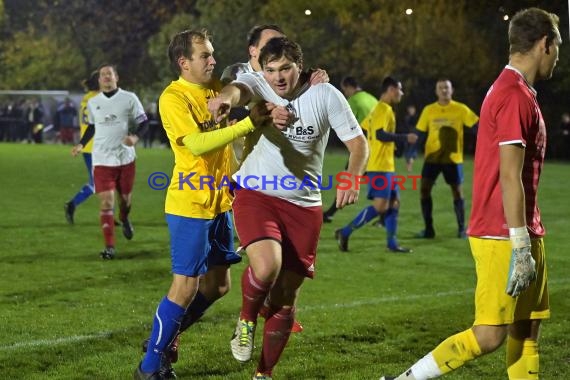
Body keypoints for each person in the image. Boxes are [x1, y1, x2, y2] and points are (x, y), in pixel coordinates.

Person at [380, 7, 561, 380]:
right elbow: (509, 176)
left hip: (523, 229)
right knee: (489, 335)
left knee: (526, 330)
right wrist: (520, 245)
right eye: (558, 45)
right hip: (503, 234)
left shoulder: (521, 91)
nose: (559, 54)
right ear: (546, 43)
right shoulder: (512, 94)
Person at [208, 36, 369, 380]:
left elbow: (358, 144)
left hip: (304, 205)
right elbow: (238, 89)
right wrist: (224, 99)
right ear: (262, 69)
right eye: (271, 70)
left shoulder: (325, 95)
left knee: (286, 295)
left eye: (286, 69)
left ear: (300, 66)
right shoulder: (258, 83)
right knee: (267, 267)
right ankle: (246, 321)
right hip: (256, 193)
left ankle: (264, 373)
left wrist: (352, 178)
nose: (278, 77)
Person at [134, 29, 269, 380]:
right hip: (189, 204)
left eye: (212, 52)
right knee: (185, 286)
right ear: (184, 62)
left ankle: (169, 336)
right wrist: (245, 126)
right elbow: (196, 144)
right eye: (205, 55)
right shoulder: (173, 97)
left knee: (218, 286)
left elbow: (246, 80)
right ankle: (150, 365)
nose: (212, 59)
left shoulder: (215, 89)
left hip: (219, 202)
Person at [71, 64, 148, 259]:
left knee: (125, 201)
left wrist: (135, 138)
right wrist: (81, 144)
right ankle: (110, 247)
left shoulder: (129, 98)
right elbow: (91, 127)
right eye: (102, 75)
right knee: (106, 202)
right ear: (99, 80)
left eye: (109, 74)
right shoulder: (93, 102)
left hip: (125, 159)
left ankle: (124, 217)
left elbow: (144, 122)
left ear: (116, 77)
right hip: (102, 159)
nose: (105, 77)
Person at [334, 77, 417, 254]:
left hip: (384, 164)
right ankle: (345, 231)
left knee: (394, 203)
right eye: (399, 90)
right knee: (380, 206)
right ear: (391, 89)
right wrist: (405, 138)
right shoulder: (383, 109)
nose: (401, 93)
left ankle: (392, 243)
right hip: (379, 166)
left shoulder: (376, 110)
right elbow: (380, 134)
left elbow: (366, 129)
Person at [414, 79, 479, 239]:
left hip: (452, 159)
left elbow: (478, 126)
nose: (444, 90)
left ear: (452, 90)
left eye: (447, 88)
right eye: (441, 88)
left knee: (457, 192)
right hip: (432, 158)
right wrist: (411, 153)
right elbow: (420, 133)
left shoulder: (460, 109)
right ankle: (429, 229)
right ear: (436, 91)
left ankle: (462, 229)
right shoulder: (429, 110)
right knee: (424, 190)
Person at [322, 75, 377, 223]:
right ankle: (385, 216)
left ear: (349, 87)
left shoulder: (353, 101)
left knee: (349, 179)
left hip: (363, 149)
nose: (344, 92)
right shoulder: (372, 99)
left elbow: (346, 124)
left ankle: (331, 213)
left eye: (344, 89)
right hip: (378, 148)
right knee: (380, 181)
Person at [65, 71, 99, 224]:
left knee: (109, 180)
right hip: (94, 146)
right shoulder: (98, 99)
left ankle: (110, 216)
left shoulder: (86, 98)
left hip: (89, 146)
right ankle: (72, 204)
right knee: (95, 184)